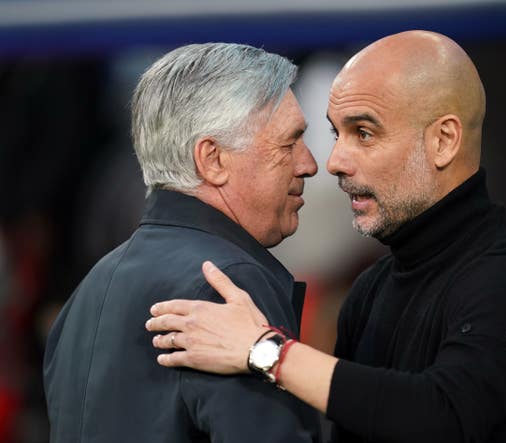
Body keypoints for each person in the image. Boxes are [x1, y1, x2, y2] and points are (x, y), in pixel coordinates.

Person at [146, 31, 506, 442]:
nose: (335, 160)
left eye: (363, 132)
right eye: (335, 133)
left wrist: (266, 352)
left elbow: (443, 416)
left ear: (443, 141)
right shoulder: (370, 292)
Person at [43, 43, 321, 442]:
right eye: (288, 142)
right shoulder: (228, 285)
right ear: (212, 159)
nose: (309, 163)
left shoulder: (88, 291)